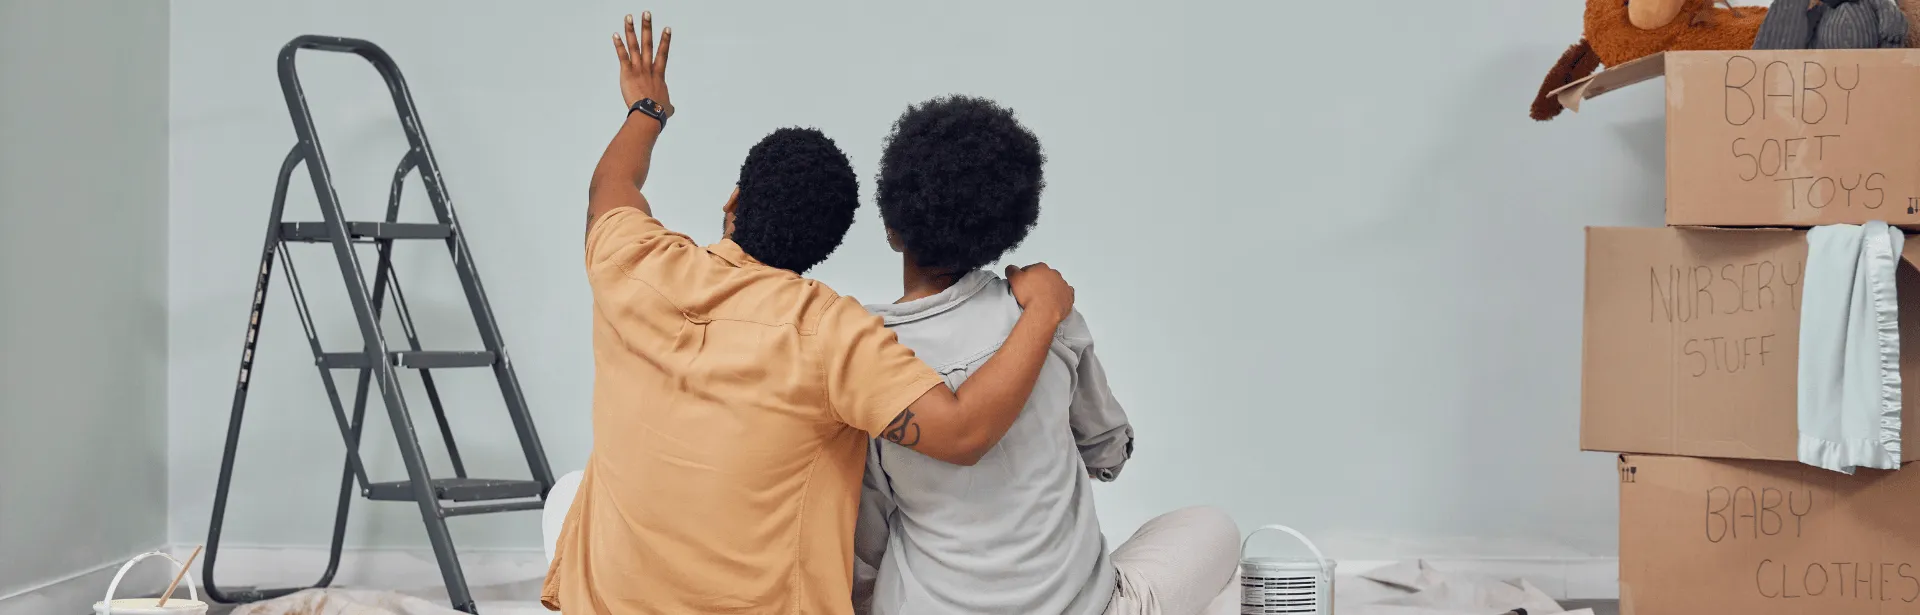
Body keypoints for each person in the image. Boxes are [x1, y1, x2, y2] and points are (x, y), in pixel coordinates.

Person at [542, 14, 1080, 615]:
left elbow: (610, 185)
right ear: (826, 246)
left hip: (610, 602)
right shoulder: (833, 334)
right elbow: (962, 432)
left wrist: (647, 106)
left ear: (734, 202)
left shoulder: (633, 263)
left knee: (566, 496)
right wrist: (1046, 309)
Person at [850, 96, 1241, 615]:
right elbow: (1105, 453)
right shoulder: (1046, 314)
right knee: (1214, 526)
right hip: (1085, 607)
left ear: (892, 229)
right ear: (1003, 225)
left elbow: (867, 537)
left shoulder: (864, 353)